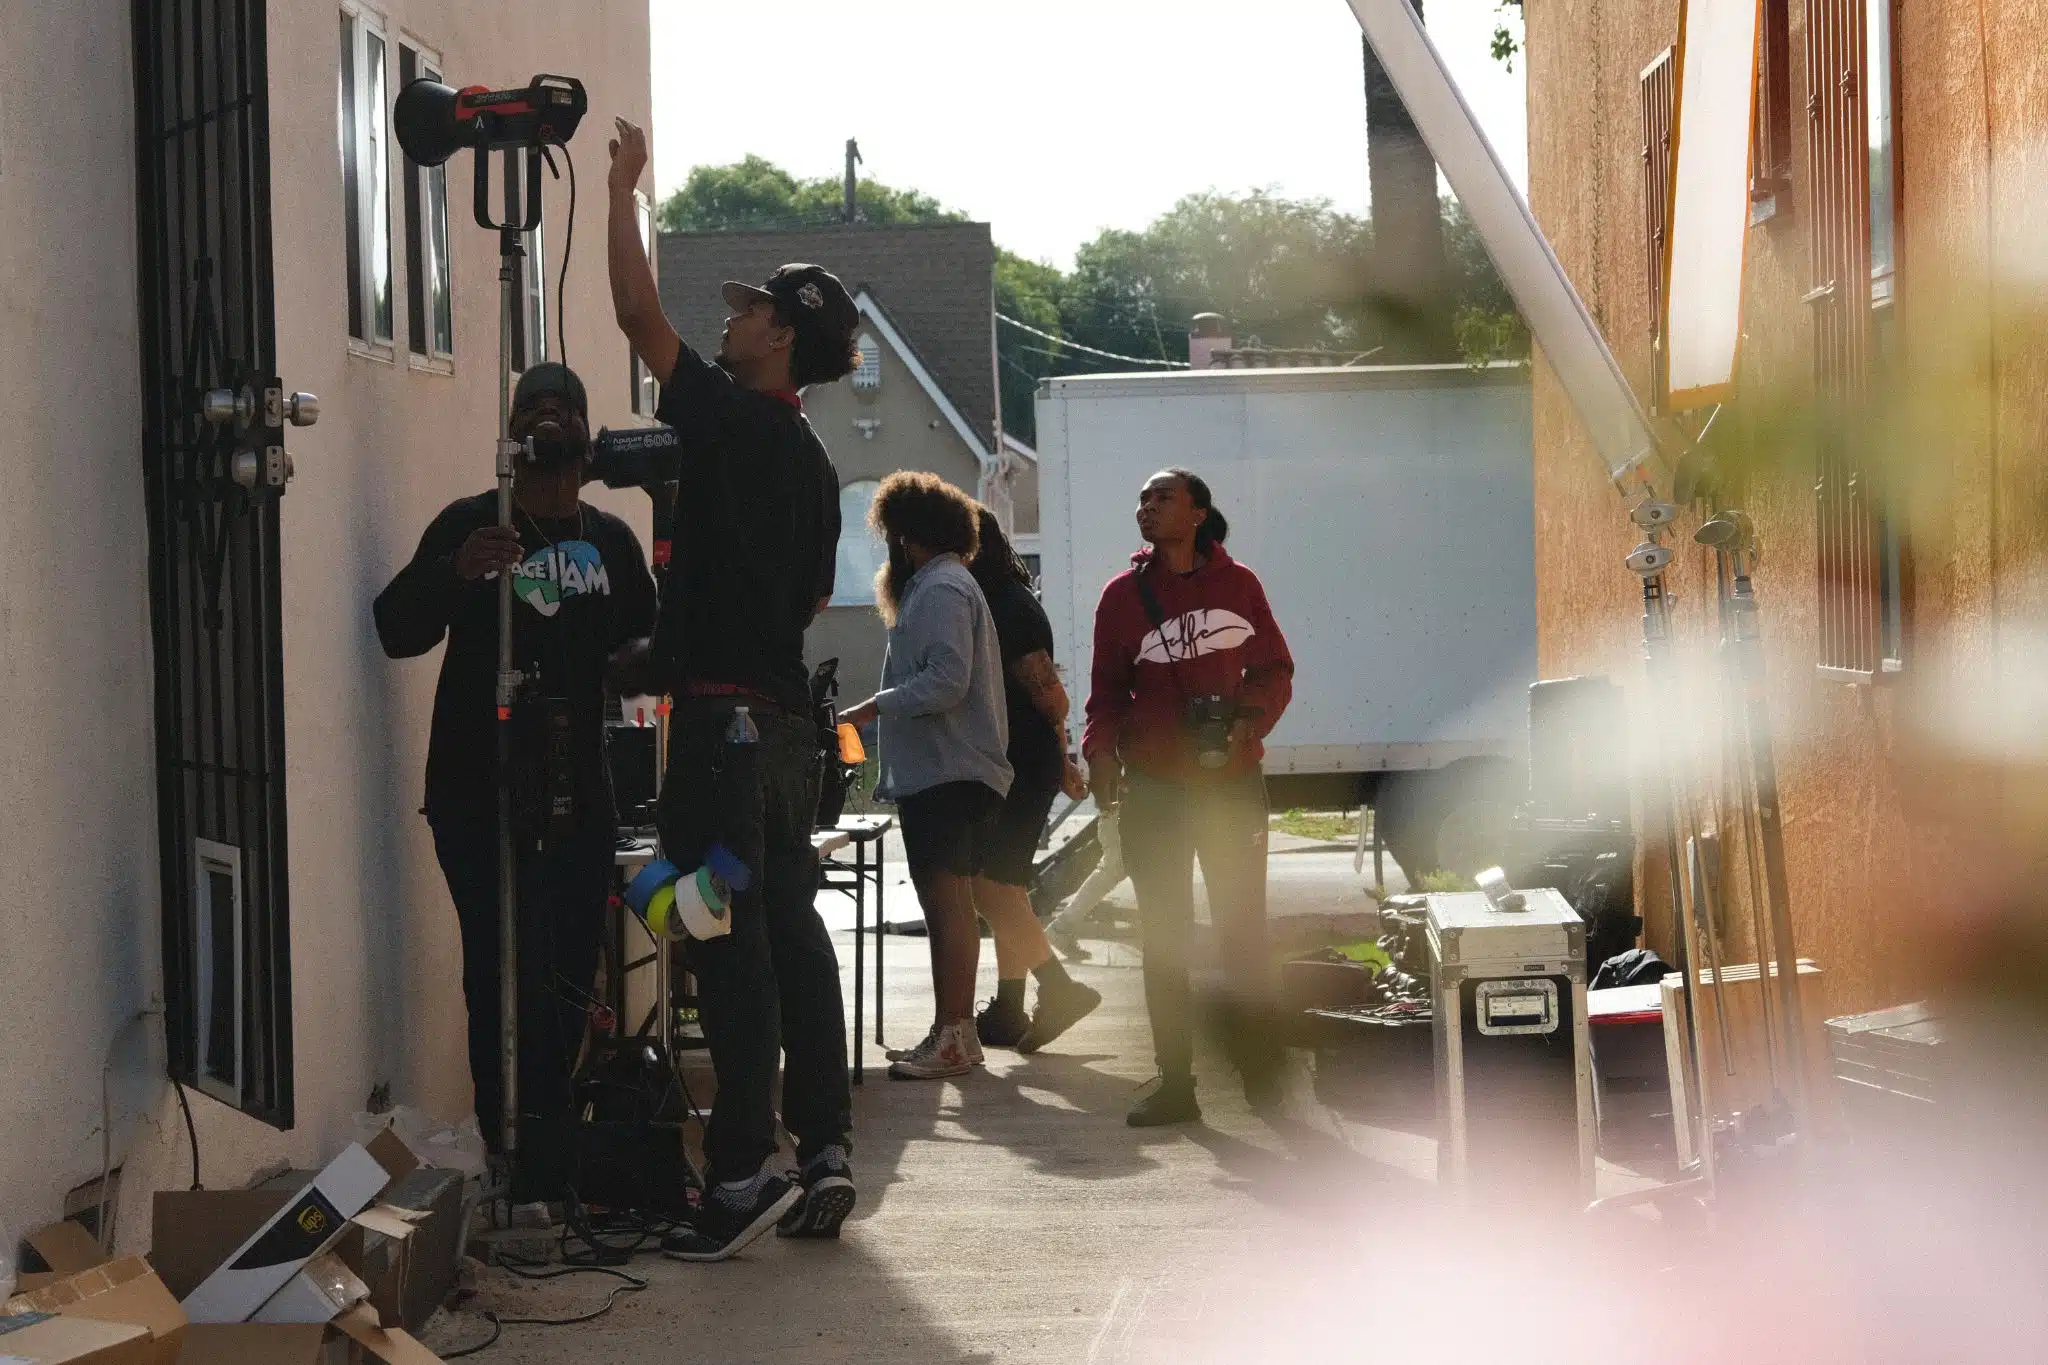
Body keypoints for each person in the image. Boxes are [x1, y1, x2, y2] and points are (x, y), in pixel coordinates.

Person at [607, 119, 859, 1258]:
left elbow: (635, 318)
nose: (731, 315)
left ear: (782, 337)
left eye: (752, 308)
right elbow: (807, 605)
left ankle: (741, 1172)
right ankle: (823, 1150)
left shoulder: (729, 421)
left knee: (715, 932)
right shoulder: (813, 464)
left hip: (719, 732)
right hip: (785, 733)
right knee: (784, 929)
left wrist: (622, 190)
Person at [374, 362, 658, 1204]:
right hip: (477, 790)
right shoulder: (473, 523)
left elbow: (649, 654)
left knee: (570, 971)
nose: (544, 416)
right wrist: (455, 571)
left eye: (560, 405)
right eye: (528, 404)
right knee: (498, 969)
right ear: (509, 432)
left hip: (579, 794)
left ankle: (549, 1141)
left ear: (581, 428)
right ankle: (509, 1152)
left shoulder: (610, 540)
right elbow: (393, 628)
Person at [1082, 468, 1295, 1127]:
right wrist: (1099, 753)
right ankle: (1177, 1084)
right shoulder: (1121, 598)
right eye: (1141, 497)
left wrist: (1245, 722)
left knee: (1242, 934)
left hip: (1230, 785)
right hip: (1156, 790)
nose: (1146, 506)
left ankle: (1261, 1075)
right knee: (1164, 936)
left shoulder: (1240, 586)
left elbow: (1275, 669)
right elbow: (1107, 696)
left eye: (1161, 497)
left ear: (1198, 512)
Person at [837, 474, 1012, 1081]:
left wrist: (871, 708)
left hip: (949, 770)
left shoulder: (939, 588)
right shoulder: (946, 583)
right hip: (950, 769)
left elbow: (945, 681)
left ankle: (953, 1035)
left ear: (908, 535)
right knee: (951, 902)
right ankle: (955, 1032)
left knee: (946, 905)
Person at [962, 506, 1102, 1051]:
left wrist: (1061, 758)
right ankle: (1009, 1008)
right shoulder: (1003, 598)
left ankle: (1059, 988)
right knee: (1008, 888)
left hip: (1022, 763)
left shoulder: (1008, 607)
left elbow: (1049, 690)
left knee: (989, 886)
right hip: (1023, 758)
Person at [1042, 805, 1126, 964]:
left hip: (1124, 809)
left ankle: (1061, 928)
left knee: (1113, 869)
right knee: (1112, 868)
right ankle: (1061, 928)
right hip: (1126, 811)